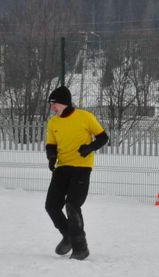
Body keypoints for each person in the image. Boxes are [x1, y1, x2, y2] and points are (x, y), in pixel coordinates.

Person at [44, 85, 108, 260]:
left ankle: (81, 248)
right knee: (51, 206)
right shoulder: (53, 122)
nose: (52, 107)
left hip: (81, 168)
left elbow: (103, 138)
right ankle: (68, 236)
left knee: (72, 205)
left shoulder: (85, 117)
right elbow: (51, 144)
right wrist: (51, 157)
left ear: (63, 103)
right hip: (62, 167)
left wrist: (89, 148)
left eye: (54, 104)